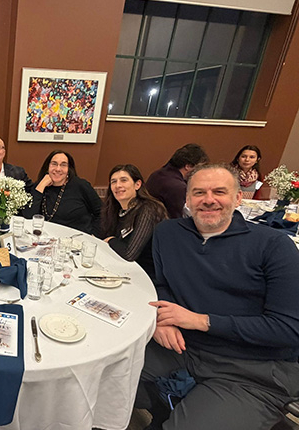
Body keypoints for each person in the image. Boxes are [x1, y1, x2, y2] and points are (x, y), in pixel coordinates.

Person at [135, 164, 299, 430]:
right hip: (182, 346)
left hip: (252, 369)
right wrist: (162, 317)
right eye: (199, 192)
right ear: (188, 199)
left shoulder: (273, 246)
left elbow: (289, 329)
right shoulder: (168, 234)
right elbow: (161, 283)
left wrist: (202, 321)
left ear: (238, 197)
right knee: (105, 371)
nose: (208, 199)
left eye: (219, 192)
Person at [99, 164, 167, 280]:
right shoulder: (116, 210)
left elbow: (130, 254)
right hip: (125, 269)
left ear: (137, 184)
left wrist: (111, 240)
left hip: (148, 276)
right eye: (113, 182)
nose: (118, 185)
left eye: (124, 180)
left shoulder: (148, 209)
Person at [23, 150, 101, 234]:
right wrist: (42, 185)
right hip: (47, 238)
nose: (58, 169)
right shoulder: (40, 186)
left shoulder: (81, 185)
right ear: (47, 167)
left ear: (68, 169)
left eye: (63, 165)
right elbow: (28, 216)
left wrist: (94, 234)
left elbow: (101, 212)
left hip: (78, 238)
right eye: (54, 164)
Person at [145, 143, 208, 219]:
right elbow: (181, 219)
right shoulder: (177, 187)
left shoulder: (157, 174)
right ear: (188, 166)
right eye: (200, 167)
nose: (201, 171)